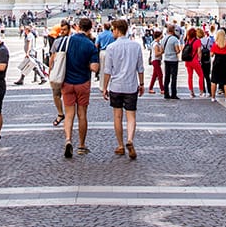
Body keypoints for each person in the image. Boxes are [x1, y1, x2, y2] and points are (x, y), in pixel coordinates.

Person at [100, 18, 144, 159]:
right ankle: (130, 140)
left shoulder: (111, 48)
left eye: (113, 29)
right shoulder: (136, 46)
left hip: (116, 86)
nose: (112, 32)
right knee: (131, 116)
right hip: (131, 86)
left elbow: (107, 70)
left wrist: (104, 87)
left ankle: (120, 145)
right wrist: (142, 84)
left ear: (118, 30)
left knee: (117, 116)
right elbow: (140, 68)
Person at [61, 17, 101, 158]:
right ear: (90, 28)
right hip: (83, 83)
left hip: (67, 83)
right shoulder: (91, 45)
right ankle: (82, 145)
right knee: (82, 114)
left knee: (69, 114)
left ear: (77, 27)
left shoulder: (67, 40)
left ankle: (68, 140)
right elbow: (95, 68)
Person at [48, 21, 72, 127]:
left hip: (68, 71)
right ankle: (60, 113)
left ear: (69, 30)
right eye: (61, 30)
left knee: (67, 94)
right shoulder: (57, 41)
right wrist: (50, 69)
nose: (62, 32)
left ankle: (66, 115)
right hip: (58, 70)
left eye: (64, 30)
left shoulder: (71, 41)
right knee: (56, 94)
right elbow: (52, 56)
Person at [208, 28, 226, 101]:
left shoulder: (215, 45)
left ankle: (213, 97)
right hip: (225, 62)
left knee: (214, 80)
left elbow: (212, 54)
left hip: (217, 62)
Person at [182, 27, 205, 97]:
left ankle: (191, 92)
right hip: (195, 61)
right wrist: (200, 60)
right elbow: (199, 52)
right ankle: (201, 91)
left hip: (188, 61)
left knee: (190, 76)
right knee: (201, 75)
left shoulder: (187, 41)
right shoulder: (197, 41)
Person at [161, 25, 182, 100]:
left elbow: (162, 50)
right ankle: (173, 94)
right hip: (173, 60)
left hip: (166, 59)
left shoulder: (163, 39)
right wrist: (178, 51)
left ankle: (166, 93)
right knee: (173, 77)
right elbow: (177, 50)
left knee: (166, 77)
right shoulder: (174, 39)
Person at [147, 29, 164, 95]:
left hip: (156, 60)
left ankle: (150, 88)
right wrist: (162, 52)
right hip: (156, 60)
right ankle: (162, 89)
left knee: (155, 75)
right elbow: (157, 54)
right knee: (160, 74)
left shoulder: (156, 43)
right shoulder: (156, 44)